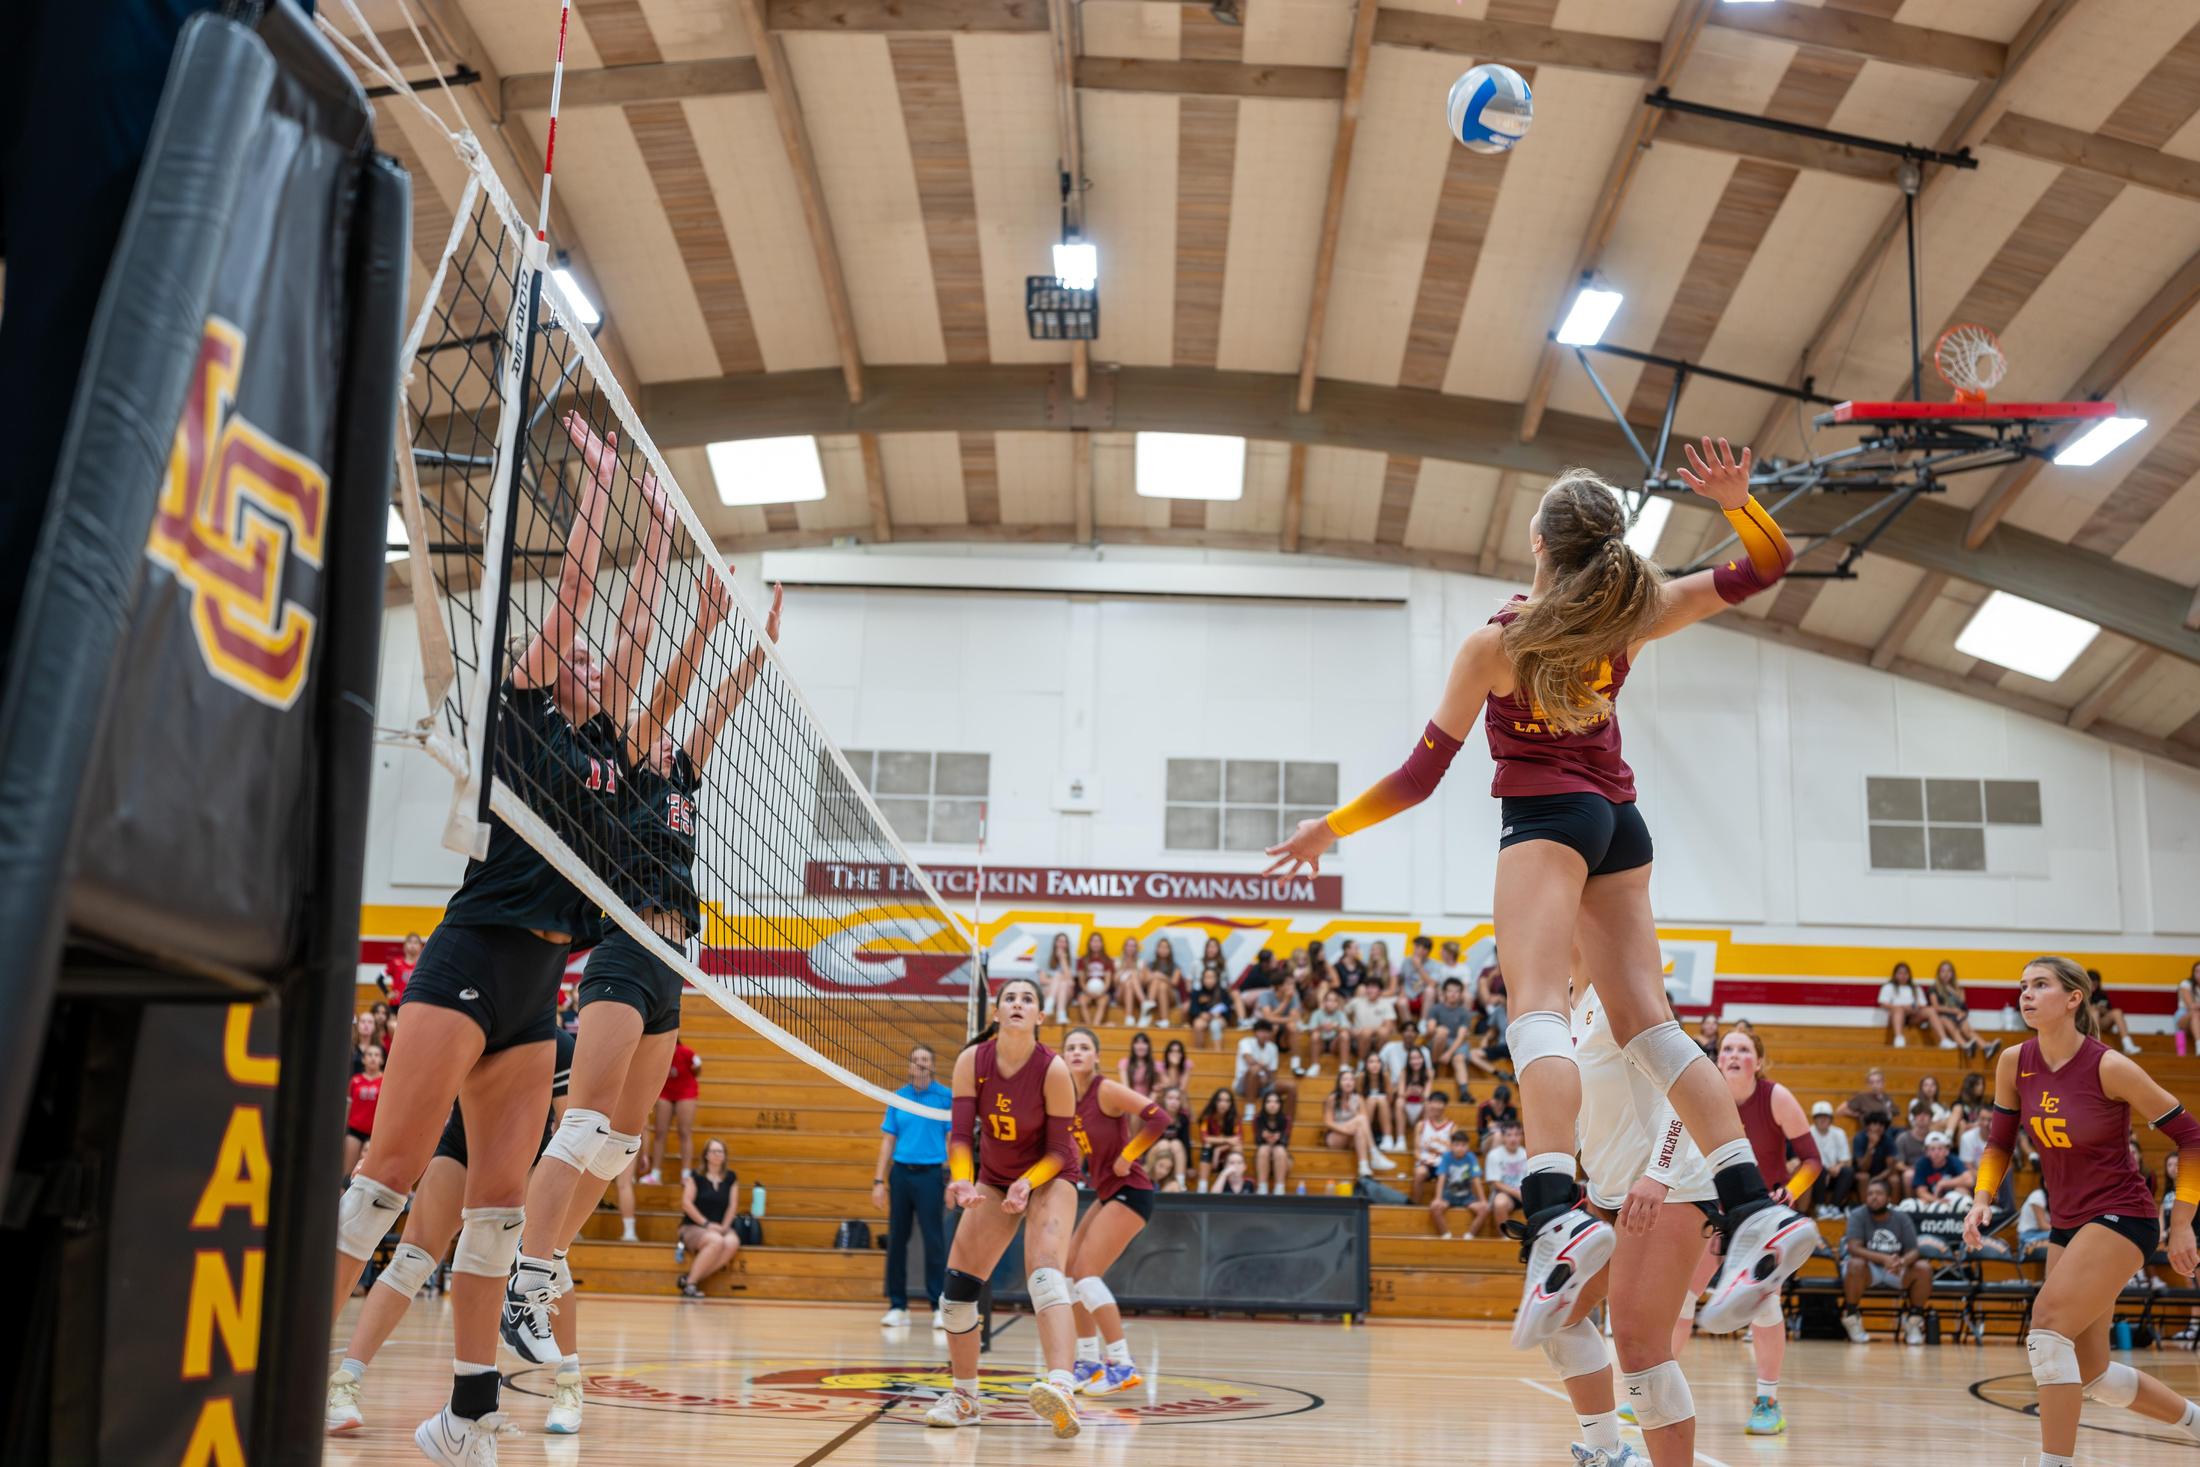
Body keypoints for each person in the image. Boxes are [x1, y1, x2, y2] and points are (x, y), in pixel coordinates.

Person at [1265, 441, 1812, 1348]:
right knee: (1650, 1023)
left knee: (1536, 1011)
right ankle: (1754, 1203)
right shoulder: (1633, 614)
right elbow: (1765, 566)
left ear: (1539, 540)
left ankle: (1555, 1208)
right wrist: (1737, 504)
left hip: (1549, 821)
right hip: (1622, 823)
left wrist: (1331, 827)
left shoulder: (1499, 643)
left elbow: (1417, 777)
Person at [329, 411, 624, 1460]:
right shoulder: (521, 718)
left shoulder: (601, 763)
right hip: (471, 957)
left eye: (591, 658)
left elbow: (630, 645)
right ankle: (291, 1366)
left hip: (538, 987)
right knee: (388, 1178)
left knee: (497, 1213)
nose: (583, 657)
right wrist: (598, 494)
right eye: (570, 650)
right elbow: (577, 595)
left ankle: (467, 1415)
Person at [504, 569, 785, 1367]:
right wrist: (703, 624)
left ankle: (550, 1256)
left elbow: (715, 710)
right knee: (585, 1122)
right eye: (654, 724)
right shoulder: (619, 763)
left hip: (672, 963)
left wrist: (758, 652)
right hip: (624, 949)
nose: (669, 732)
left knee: (622, 1144)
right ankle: (524, 1281)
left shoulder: (679, 775)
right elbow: (665, 695)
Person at [1964, 955, 2200, 1467]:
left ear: (2074, 998)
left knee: (2047, 1326)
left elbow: (2191, 1137)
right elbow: (1999, 1144)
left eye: (2040, 985)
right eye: (2023, 986)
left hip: (2123, 1216)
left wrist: (2182, 1223)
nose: (2026, 994)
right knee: (2092, 1374)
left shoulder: (2109, 1066)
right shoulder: (2013, 1062)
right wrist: (1981, 1199)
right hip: (2068, 1222)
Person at [329, 1031, 583, 1437]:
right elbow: (425, 1096)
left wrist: (543, 1198)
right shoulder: (472, 1023)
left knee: (546, 1260)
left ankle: (568, 1384)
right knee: (411, 1260)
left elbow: (568, 1134)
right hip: (462, 1149)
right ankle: (344, 1383)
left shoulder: (560, 1046)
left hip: (527, 1162)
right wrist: (381, 1152)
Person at [1550, 982, 1723, 1467]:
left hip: (1668, 1189)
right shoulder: (1568, 1004)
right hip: (1606, 1192)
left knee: (1640, 1349)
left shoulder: (1616, 990)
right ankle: (1608, 1452)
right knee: (1554, 1312)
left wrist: (1659, 1174)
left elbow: (1685, 1082)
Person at [926, 976, 1084, 1435]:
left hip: (1050, 1176)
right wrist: (961, 1178)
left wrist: (1027, 1184)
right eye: (1009, 998)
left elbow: (1059, 1150)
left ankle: (1063, 1388)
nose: (1018, 1003)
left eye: (1027, 999)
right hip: (995, 1178)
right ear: (996, 1013)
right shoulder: (971, 1060)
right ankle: (965, 1398)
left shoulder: (1053, 1069)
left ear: (1040, 1015)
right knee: (956, 1294)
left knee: (1045, 1275)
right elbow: (960, 1137)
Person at [1716, 1027, 1820, 1437]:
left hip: (1763, 1217)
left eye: (1743, 1049)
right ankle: (1650, 1396)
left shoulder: (1775, 1096)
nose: (1733, 1054)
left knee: (1764, 1304)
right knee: (1682, 1299)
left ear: (1758, 1062)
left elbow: (1811, 1161)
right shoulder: (1704, 1096)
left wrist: (1789, 1193)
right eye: (1726, 1048)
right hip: (1713, 1211)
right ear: (1716, 1059)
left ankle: (1768, 1401)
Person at [1059, 1028, 1168, 1395]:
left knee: (1086, 1274)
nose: (1077, 1052)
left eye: (1084, 1047)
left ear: (1096, 1056)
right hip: (1107, 1191)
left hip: (1131, 1190)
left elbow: (1159, 1117)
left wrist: (1128, 1155)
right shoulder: (1067, 1099)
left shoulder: (1104, 1090)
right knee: (1069, 1272)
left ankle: (1122, 1364)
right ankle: (1088, 1363)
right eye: (1071, 1047)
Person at [874, 1044, 953, 1330]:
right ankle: (898, 1306)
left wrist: (954, 1179)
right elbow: (888, 1141)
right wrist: (879, 1181)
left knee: (934, 1242)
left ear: (932, 1066)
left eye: (925, 1059)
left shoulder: (945, 1097)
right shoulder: (899, 1097)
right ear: (909, 1066)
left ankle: (938, 1306)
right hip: (901, 1175)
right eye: (916, 1059)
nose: (920, 1063)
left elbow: (952, 1140)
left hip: (931, 1176)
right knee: (897, 1240)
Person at [1838, 1174, 1934, 1345]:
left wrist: (1901, 1262)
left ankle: (1913, 1321)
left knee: (1923, 1268)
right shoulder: (1857, 1215)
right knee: (1855, 1263)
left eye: (1878, 1193)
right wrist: (1884, 1259)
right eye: (1870, 1194)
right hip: (1868, 1270)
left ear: (1889, 1198)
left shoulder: (1901, 1217)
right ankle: (1852, 1317)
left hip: (1895, 1269)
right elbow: (1853, 1248)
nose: (1873, 1197)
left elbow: (1914, 1251)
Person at [676, 1138, 741, 1298]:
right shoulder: (695, 1176)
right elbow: (686, 1204)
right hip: (693, 1226)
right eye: (713, 1151)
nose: (717, 1154)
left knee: (732, 1243)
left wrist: (724, 1227)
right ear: (706, 1155)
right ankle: (690, 1284)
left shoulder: (731, 1177)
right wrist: (706, 1224)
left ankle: (690, 1280)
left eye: (720, 1151)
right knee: (716, 1241)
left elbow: (733, 1205)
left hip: (721, 1226)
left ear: (725, 1156)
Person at [645, 1040, 702, 1185]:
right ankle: (655, 1174)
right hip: (666, 1092)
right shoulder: (659, 1053)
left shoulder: (686, 1052)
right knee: (660, 1132)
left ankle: (686, 1174)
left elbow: (698, 1068)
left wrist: (693, 1071)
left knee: (684, 1132)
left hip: (686, 1092)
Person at [1320, 1067, 1390, 1179]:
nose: (1348, 1082)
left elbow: (1365, 1123)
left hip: (1354, 1138)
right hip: (1336, 1137)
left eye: (1351, 1079)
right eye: (1345, 1079)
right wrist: (1346, 1130)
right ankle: (1374, 1154)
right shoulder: (1333, 1098)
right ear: (1339, 1083)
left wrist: (1354, 1111)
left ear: (1354, 1083)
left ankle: (1363, 1167)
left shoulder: (1358, 1099)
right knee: (1360, 1121)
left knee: (1361, 1125)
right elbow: (1328, 1122)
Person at [1429, 1130, 1489, 1238]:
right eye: (1457, 1145)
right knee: (1434, 1207)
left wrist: (1483, 1200)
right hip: (1448, 1196)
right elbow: (1441, 1178)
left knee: (1484, 1209)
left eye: (1463, 1145)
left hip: (1467, 1197)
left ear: (1468, 1146)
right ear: (1451, 1146)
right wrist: (1438, 1198)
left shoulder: (1471, 1157)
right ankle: (1446, 1235)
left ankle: (1469, 1235)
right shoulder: (1446, 1157)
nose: (1460, 1148)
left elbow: (1476, 1179)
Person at [1426, 977, 1477, 1088]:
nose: (1453, 994)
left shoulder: (1464, 1012)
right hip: (1437, 1043)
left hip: (1456, 1042)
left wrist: (1448, 1054)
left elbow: (1461, 1037)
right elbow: (1430, 1029)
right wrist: (1438, 1029)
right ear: (1444, 992)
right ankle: (1434, 1066)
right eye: (1450, 991)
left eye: (1456, 991)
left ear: (1461, 994)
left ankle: (1464, 1091)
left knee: (1459, 1058)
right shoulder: (1436, 1008)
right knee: (1442, 1034)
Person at [343, 1043, 384, 1181]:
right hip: (355, 1130)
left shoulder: (384, 1080)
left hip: (375, 1133)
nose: (373, 1058)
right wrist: (344, 1129)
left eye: (376, 1055)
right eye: (369, 1055)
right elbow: (348, 1107)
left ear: (381, 1060)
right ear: (363, 1059)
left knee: (369, 1174)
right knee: (347, 1173)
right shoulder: (355, 1080)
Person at [1925, 959, 1982, 1056]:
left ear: (1953, 974)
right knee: (1950, 1024)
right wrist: (1954, 1011)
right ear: (1938, 973)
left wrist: (1961, 1013)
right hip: (1942, 1018)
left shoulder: (1958, 989)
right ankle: (1965, 1045)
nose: (1946, 974)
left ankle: (1985, 1046)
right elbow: (1936, 1007)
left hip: (1957, 1017)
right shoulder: (1933, 988)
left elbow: (1963, 1007)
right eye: (1943, 971)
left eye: (1949, 971)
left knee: (1967, 1029)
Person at [1411, 1089, 1457, 1204]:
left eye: (1440, 1103)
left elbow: (1454, 1152)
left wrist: (1442, 1161)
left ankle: (1440, 1203)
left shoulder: (1452, 1127)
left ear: (1445, 1106)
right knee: (1420, 1172)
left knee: (1445, 1174)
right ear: (1429, 1104)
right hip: (1425, 1162)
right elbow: (1416, 1151)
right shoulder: (1421, 1125)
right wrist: (1424, 1160)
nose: (1436, 1106)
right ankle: (1415, 1205)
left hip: (1443, 1163)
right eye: (1434, 1102)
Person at [1806, 1102, 1854, 1214]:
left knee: (1848, 1171)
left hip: (1834, 1174)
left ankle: (1835, 1206)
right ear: (1814, 1119)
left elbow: (1847, 1160)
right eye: (1819, 1117)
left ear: (1831, 1119)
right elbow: (1806, 1159)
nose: (1822, 1120)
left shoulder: (1839, 1133)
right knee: (1818, 1169)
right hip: (1815, 1175)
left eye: (1826, 1117)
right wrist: (1825, 1171)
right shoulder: (1808, 1133)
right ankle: (1820, 1206)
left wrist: (1838, 1167)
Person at [2085, 967, 2144, 1056]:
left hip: (2101, 1023)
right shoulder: (2081, 994)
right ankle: (2095, 1045)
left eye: (2095, 984)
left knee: (2117, 1012)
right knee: (2094, 1012)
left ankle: (2128, 1045)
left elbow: (2109, 1011)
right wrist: (2090, 1008)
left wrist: (2102, 1009)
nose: (2093, 987)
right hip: (2086, 1024)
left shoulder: (2101, 994)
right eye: (2091, 984)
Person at [1485, 1120, 1529, 1235]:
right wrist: (1517, 1193)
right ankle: (1505, 1237)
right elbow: (1496, 1183)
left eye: (1517, 1134)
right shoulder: (1494, 1155)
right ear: (1503, 1137)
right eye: (1509, 1135)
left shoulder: (1526, 1154)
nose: (1513, 1139)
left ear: (1521, 1136)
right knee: (1500, 1203)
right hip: (1505, 1193)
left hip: (1525, 1192)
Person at [1196, 1086, 1243, 1190]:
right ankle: (1202, 1186)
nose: (1223, 1104)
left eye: (1227, 1101)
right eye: (1220, 1100)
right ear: (1215, 1102)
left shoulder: (1235, 1118)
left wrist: (1219, 1149)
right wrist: (1226, 1140)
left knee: (1238, 1147)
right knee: (1207, 1146)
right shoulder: (1207, 1117)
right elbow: (1204, 1138)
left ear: (1231, 1104)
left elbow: (1238, 1140)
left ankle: (1235, 1186)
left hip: (1226, 1152)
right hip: (1210, 1152)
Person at [1233, 1019, 1289, 1104]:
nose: (1264, 1035)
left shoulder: (1273, 1047)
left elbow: (1273, 1075)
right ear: (1255, 1032)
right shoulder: (1245, 1042)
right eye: (1261, 1031)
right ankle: (1250, 1109)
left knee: (1291, 1087)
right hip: (1243, 1084)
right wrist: (1264, 1069)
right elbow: (1249, 1060)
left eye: (1267, 1032)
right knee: (1254, 1071)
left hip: (1264, 1085)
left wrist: (1266, 1078)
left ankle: (1287, 1114)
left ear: (1271, 1033)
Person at [1252, 1087, 1295, 1195]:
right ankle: (1262, 1187)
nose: (1272, 1105)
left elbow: (1285, 1142)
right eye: (1269, 1101)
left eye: (1276, 1102)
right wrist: (1264, 1137)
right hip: (1262, 1157)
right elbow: (1257, 1141)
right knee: (1263, 1149)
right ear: (1264, 1104)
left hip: (1281, 1158)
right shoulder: (1258, 1118)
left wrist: (1278, 1138)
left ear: (1280, 1105)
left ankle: (1280, 1188)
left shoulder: (1286, 1119)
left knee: (1279, 1150)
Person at [1911, 1131, 1973, 1205]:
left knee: (1962, 1190)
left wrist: (1943, 1183)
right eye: (1932, 1149)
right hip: (1933, 1198)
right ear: (1927, 1152)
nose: (1936, 1152)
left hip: (1952, 1197)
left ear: (1947, 1151)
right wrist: (1937, 1200)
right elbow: (1921, 1192)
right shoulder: (1922, 1163)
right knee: (1922, 1201)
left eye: (1940, 1148)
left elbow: (1969, 1180)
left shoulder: (1953, 1160)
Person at [1876, 962, 1924, 1048]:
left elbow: (1922, 1004)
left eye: (1905, 973)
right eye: (1900, 973)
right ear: (1895, 975)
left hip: (1913, 1016)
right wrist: (1900, 1008)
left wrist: (1912, 1007)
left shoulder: (1916, 988)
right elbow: (1883, 1003)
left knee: (1930, 1011)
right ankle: (1899, 1037)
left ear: (1909, 975)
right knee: (1899, 1010)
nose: (1903, 976)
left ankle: (1943, 1040)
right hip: (1894, 1016)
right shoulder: (1888, 987)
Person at [1305, 987, 1352, 1076]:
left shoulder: (1340, 1014)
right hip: (1321, 1043)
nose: (1331, 1003)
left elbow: (1347, 1029)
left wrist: (1336, 1027)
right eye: (1329, 1000)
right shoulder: (1316, 1013)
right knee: (1315, 1035)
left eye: (1334, 1001)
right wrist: (1321, 1027)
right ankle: (1314, 1065)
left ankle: (1344, 1066)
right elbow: (1310, 1030)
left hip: (1334, 1043)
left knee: (1344, 1035)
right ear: (1324, 1002)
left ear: (1337, 1004)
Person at [1853, 1113, 1901, 1196]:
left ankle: (1893, 1204)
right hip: (1862, 1173)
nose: (1878, 1127)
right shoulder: (1859, 1138)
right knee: (1864, 1177)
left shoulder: (1888, 1140)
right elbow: (1863, 1168)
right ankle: (1865, 1204)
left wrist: (1878, 1178)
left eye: (1881, 1125)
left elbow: (1890, 1168)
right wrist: (1870, 1147)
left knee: (1894, 1179)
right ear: (1868, 1126)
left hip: (1882, 1174)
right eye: (1875, 1124)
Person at [1153, 1085, 1193, 1184]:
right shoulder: (1157, 1116)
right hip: (1156, 1151)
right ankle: (1155, 1183)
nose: (1174, 1102)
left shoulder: (1183, 1118)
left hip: (1176, 1151)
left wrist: (1189, 1166)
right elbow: (1149, 1141)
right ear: (1164, 1100)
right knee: (1164, 1143)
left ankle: (1180, 1184)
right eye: (1170, 1098)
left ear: (1181, 1102)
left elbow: (1186, 1142)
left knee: (1176, 1143)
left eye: (1177, 1099)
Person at [1233, 947, 1281, 1026]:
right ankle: (1252, 1019)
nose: (1276, 961)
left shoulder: (1275, 971)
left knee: (1267, 993)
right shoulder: (1255, 972)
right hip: (1246, 996)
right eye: (1273, 960)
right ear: (1265, 963)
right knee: (1266, 992)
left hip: (1259, 998)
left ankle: (1256, 1018)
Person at [1075, 933, 1115, 1026]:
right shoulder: (1083, 960)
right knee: (1082, 1000)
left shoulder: (1107, 960)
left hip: (1102, 992)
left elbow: (1108, 980)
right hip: (1087, 991)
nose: (1096, 943)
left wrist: (1101, 992)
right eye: (1093, 941)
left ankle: (1096, 1025)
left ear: (1101, 944)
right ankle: (1089, 1025)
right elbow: (1081, 980)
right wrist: (1087, 992)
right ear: (1089, 943)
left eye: (1098, 941)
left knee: (1103, 1001)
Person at [1147, 935, 1184, 1028]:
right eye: (1161, 947)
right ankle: (1150, 1005)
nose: (1163, 950)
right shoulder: (1150, 965)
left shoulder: (1176, 966)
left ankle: (1151, 1012)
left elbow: (1174, 982)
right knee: (1157, 982)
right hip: (1154, 994)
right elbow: (1145, 981)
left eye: (1166, 947)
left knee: (1162, 985)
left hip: (1171, 995)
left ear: (1169, 950)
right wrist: (1155, 976)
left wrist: (1161, 976)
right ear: (1157, 949)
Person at [1397, 934, 1437, 1022]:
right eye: (1415, 947)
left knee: (1430, 990)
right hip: (1408, 994)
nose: (1415, 950)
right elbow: (1401, 979)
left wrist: (1419, 966)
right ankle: (1409, 1026)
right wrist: (1402, 992)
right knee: (1401, 1002)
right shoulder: (1406, 961)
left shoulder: (1433, 964)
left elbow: (1432, 984)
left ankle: (1423, 1022)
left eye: (1419, 947)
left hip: (1423, 995)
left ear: (1426, 951)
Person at [1040, 932, 1077, 1025]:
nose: (1062, 944)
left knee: (1062, 982)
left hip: (1066, 992)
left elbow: (1071, 981)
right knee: (1060, 979)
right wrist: (1058, 980)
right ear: (1055, 943)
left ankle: (1049, 1004)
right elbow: (1042, 980)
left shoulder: (1071, 960)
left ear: (1067, 945)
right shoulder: (1046, 959)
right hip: (1048, 990)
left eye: (1064, 942)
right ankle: (1061, 1014)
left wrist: (1063, 960)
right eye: (1060, 941)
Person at [382, 931, 425, 1005]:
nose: (412, 945)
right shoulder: (395, 963)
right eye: (410, 942)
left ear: (421, 947)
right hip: (396, 1005)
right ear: (404, 946)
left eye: (416, 942)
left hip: (416, 1004)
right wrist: (387, 993)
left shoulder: (423, 965)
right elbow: (379, 979)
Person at [1118, 1031, 1161, 1098]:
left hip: (1148, 1101)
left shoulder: (1155, 1065)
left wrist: (1149, 1103)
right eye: (1137, 1043)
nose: (1140, 1046)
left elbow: (1156, 1089)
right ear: (1133, 1046)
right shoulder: (1124, 1063)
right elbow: (1126, 1087)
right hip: (1129, 1099)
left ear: (1148, 1046)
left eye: (1144, 1043)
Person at [2017, 1183, 2053, 1255]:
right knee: (2061, 1239)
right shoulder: (2038, 1195)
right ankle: (2029, 1246)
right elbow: (2043, 1225)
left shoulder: (2055, 1197)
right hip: (2030, 1235)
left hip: (2045, 1234)